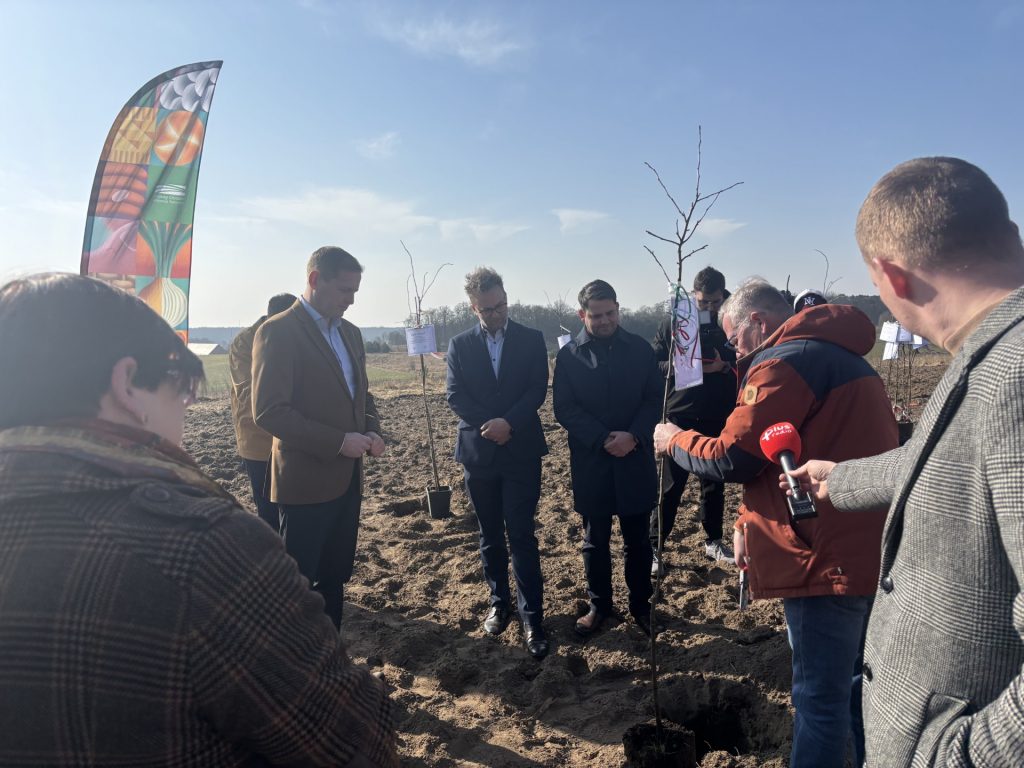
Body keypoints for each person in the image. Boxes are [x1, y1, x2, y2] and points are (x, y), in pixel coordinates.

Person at [0, 273, 397, 767]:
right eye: (183, 392)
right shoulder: (204, 550)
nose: (185, 417)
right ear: (127, 385)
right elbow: (356, 743)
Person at [788, 157, 1024, 768]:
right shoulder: (986, 348)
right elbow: (941, 460)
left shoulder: (1015, 374)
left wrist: (960, 756)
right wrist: (839, 479)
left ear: (890, 277)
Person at [654, 278, 897, 768]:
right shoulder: (845, 359)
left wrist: (676, 441)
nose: (735, 353)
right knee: (855, 688)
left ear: (758, 323)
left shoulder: (784, 363)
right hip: (868, 548)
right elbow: (780, 453)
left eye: (735, 339)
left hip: (819, 557)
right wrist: (746, 519)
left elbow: (735, 457)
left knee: (816, 701)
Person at [252, 246, 385, 630]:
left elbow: (362, 395)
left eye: (355, 291)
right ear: (314, 280)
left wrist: (372, 429)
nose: (352, 300)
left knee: (334, 579)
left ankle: (331, 657)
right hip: (304, 485)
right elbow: (270, 411)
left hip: (347, 482)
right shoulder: (277, 332)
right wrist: (338, 441)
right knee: (297, 584)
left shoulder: (352, 334)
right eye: (345, 290)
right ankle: (296, 664)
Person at [445, 267, 549, 659]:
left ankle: (532, 616)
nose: (497, 313)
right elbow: (455, 395)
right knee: (489, 534)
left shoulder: (531, 339)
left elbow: (537, 387)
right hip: (480, 453)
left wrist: (511, 423)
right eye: (488, 309)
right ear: (474, 308)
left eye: (502, 305)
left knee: (522, 534)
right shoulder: (459, 345)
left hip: (521, 450)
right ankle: (499, 602)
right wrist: (490, 426)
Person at [553, 279, 661, 637]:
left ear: (618, 308)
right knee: (595, 540)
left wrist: (634, 436)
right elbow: (565, 408)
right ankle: (600, 605)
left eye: (610, 313)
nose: (604, 321)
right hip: (592, 461)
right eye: (596, 315)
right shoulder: (569, 356)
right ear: (582, 314)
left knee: (638, 541)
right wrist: (602, 439)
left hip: (635, 457)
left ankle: (641, 606)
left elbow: (653, 400)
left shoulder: (641, 350)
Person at [649, 266, 737, 576]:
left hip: (719, 414)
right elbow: (653, 364)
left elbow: (747, 356)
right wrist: (687, 367)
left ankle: (713, 540)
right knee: (671, 487)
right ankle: (655, 546)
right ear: (693, 296)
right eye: (703, 303)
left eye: (715, 302)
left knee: (713, 483)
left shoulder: (732, 321)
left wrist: (724, 365)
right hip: (681, 412)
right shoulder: (674, 323)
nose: (709, 308)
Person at [229, 291, 296, 530]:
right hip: (258, 442)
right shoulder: (245, 343)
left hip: (295, 440)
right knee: (269, 511)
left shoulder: (296, 335)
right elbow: (252, 393)